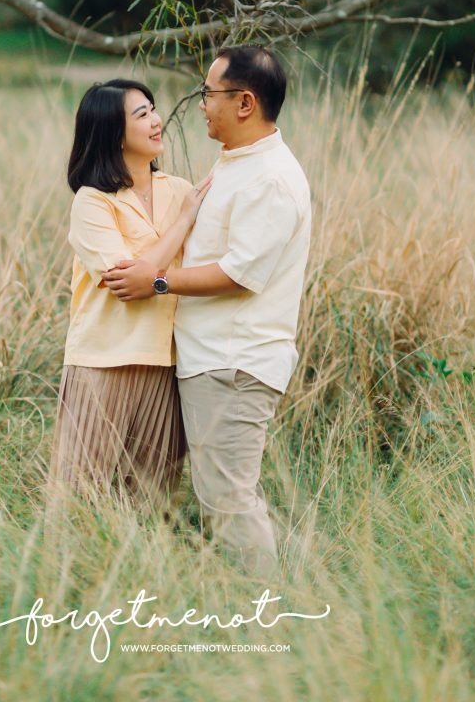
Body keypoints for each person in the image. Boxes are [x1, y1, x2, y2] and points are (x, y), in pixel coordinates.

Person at [102, 46, 311, 575]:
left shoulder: (271, 180)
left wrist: (158, 282)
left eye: (208, 93)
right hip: (212, 359)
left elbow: (240, 274)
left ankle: (269, 621)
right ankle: (303, 587)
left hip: (235, 364)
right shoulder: (239, 162)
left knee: (227, 502)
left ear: (244, 103)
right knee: (226, 494)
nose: (199, 104)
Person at [49, 78, 211, 507]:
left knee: (151, 499)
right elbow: (131, 284)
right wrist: (183, 223)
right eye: (142, 115)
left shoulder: (178, 189)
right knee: (80, 496)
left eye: (154, 109)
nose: (158, 120)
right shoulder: (93, 202)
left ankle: (141, 575)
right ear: (112, 132)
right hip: (104, 363)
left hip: (165, 363)